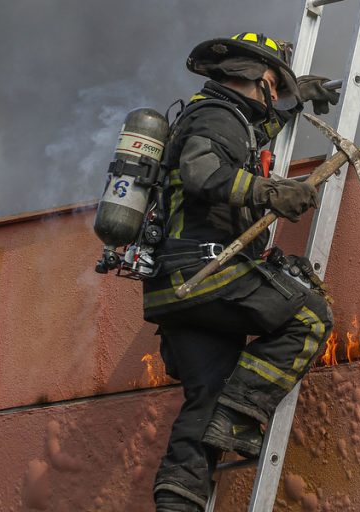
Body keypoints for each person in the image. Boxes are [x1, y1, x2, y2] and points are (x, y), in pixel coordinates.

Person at [142, 33, 338, 512]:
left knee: (204, 399)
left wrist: (295, 98)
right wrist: (271, 193)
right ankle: (238, 415)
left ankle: (177, 506)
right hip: (207, 270)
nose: (274, 94)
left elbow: (249, 137)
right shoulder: (217, 117)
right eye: (274, 84)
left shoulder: (215, 116)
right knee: (310, 318)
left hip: (173, 288)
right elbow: (201, 171)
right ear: (257, 79)